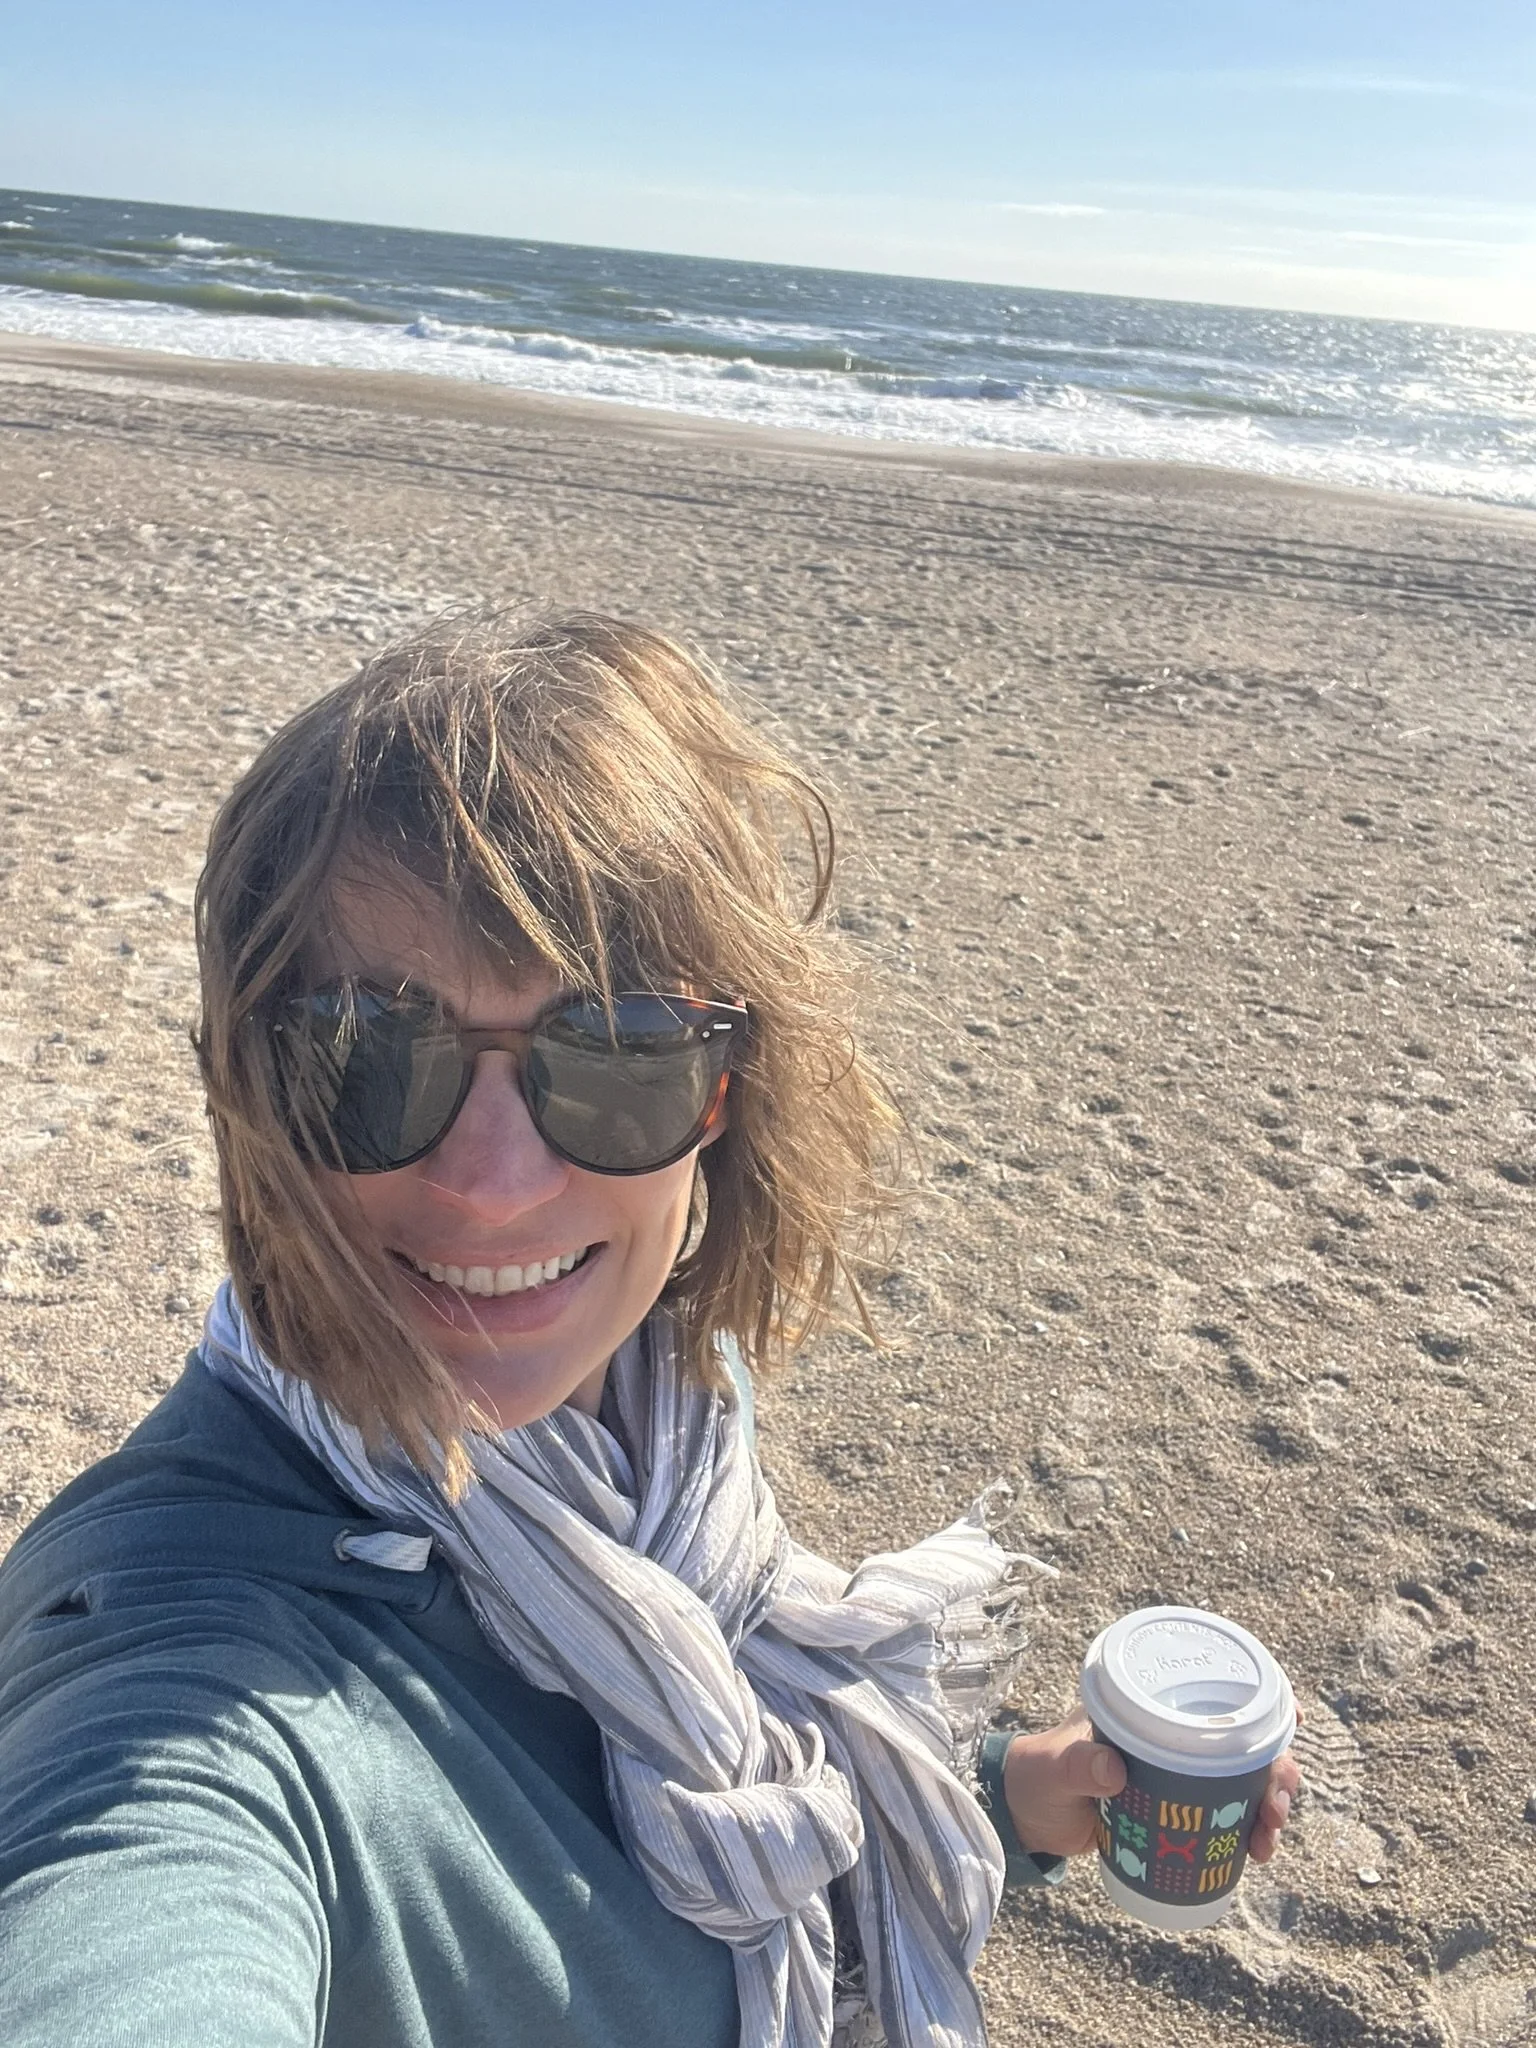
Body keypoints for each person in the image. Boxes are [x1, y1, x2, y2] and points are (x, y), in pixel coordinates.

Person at [0, 612, 1296, 2048]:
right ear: (245, 1096)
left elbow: (694, 1806)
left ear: (723, 1097)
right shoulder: (176, 1680)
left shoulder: (657, 1412)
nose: (497, 1185)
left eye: (620, 1052)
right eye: (366, 1055)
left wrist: (1009, 1796)